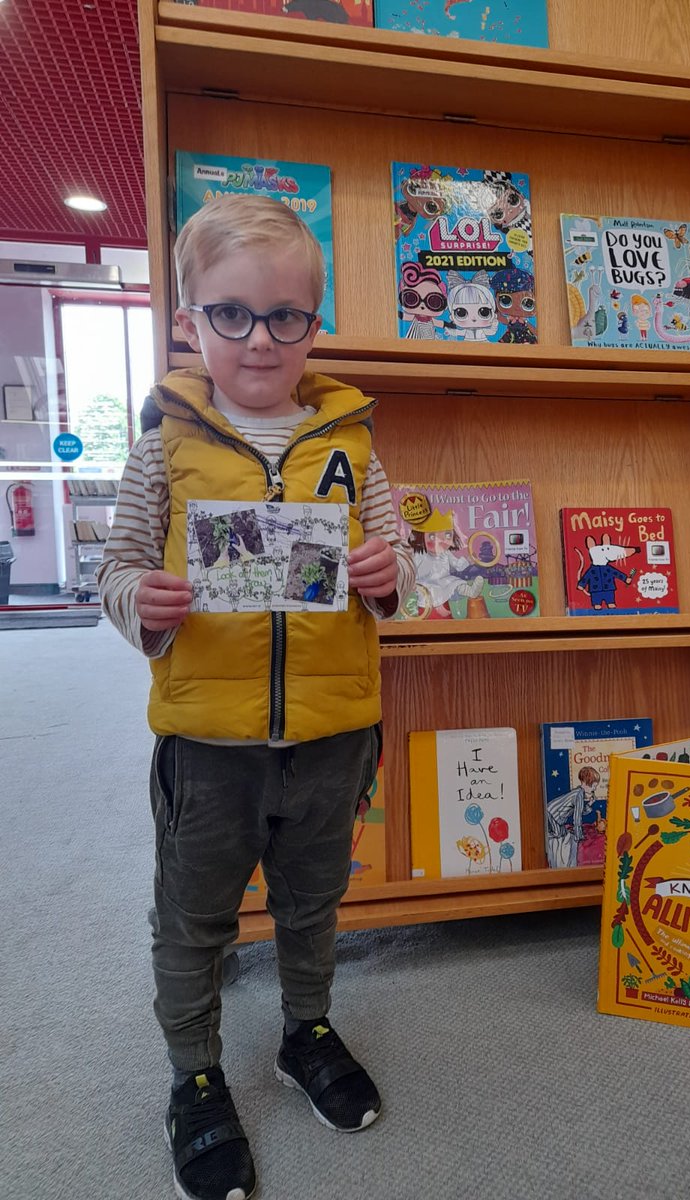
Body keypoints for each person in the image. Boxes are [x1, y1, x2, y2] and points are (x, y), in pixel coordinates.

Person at [98, 194, 416, 1200]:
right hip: (206, 739)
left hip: (333, 732)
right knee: (193, 917)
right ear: (190, 320)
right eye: (231, 313)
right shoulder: (163, 447)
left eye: (287, 315)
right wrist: (138, 603)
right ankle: (194, 1076)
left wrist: (387, 575)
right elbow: (112, 569)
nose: (260, 337)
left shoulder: (352, 441)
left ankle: (305, 1030)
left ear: (313, 323)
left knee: (312, 901)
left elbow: (401, 564)